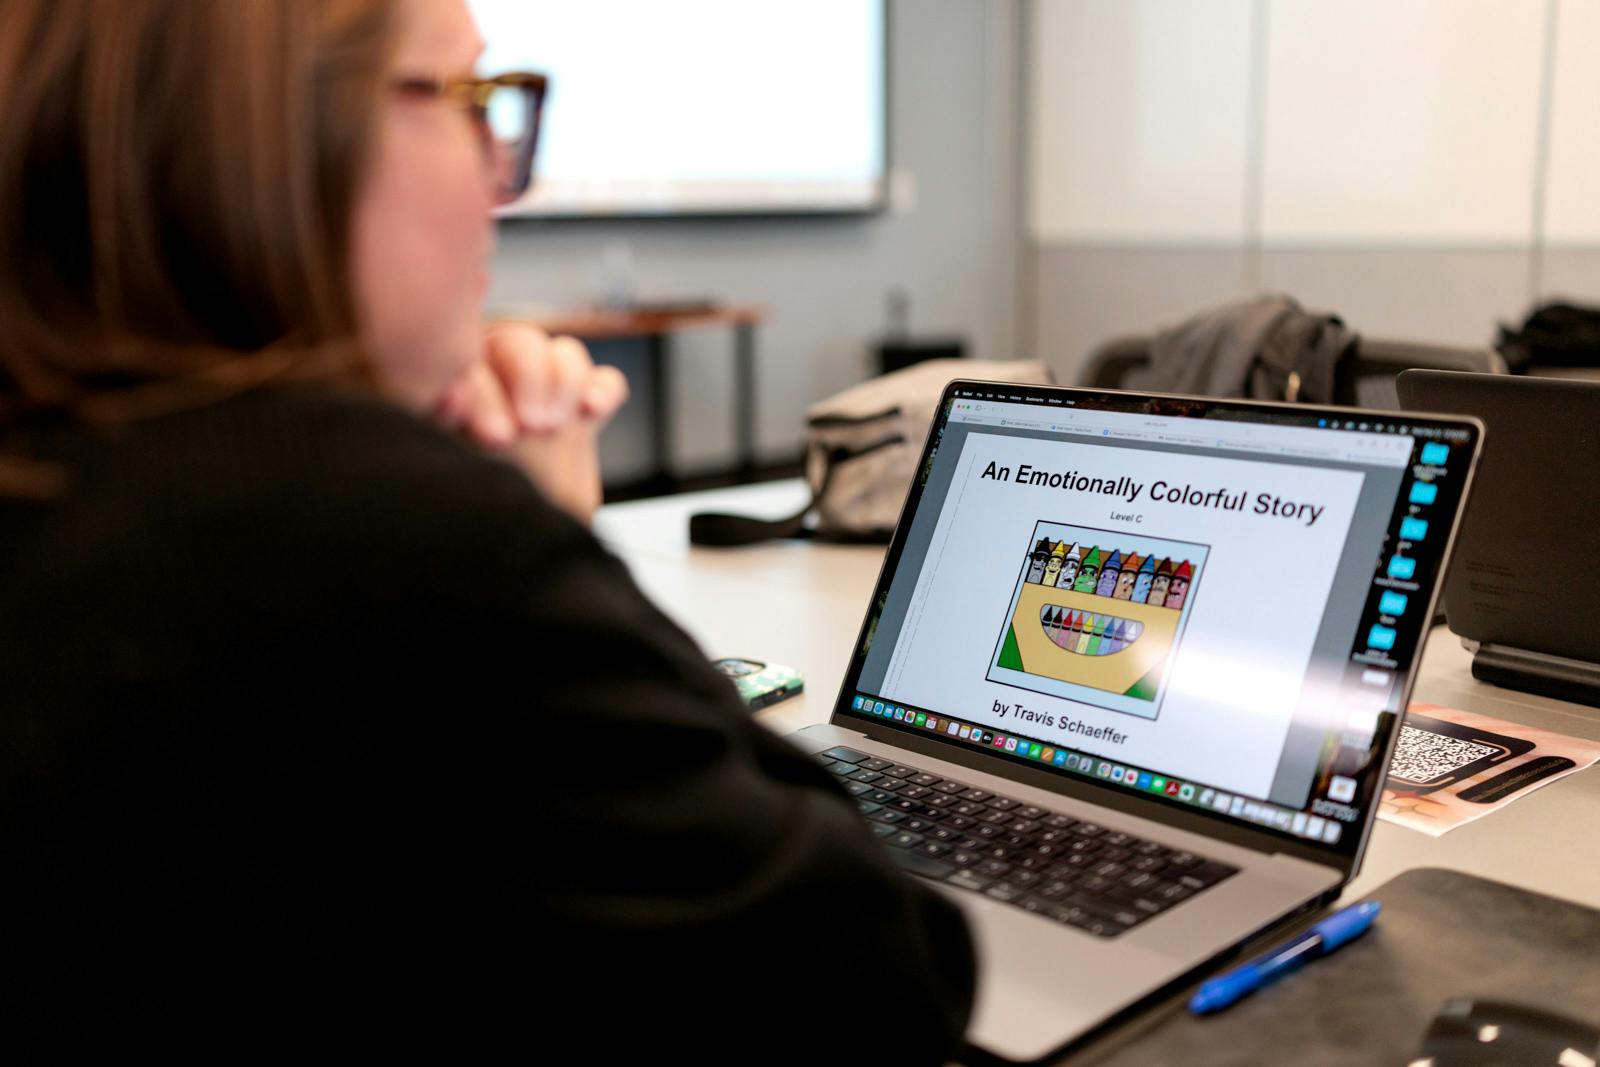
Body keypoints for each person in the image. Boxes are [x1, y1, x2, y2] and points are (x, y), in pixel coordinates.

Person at [0, 0, 976, 1058]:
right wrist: (551, 540)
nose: (508, 179)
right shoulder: (403, 547)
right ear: (270, 132)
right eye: (472, 101)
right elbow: (888, 976)